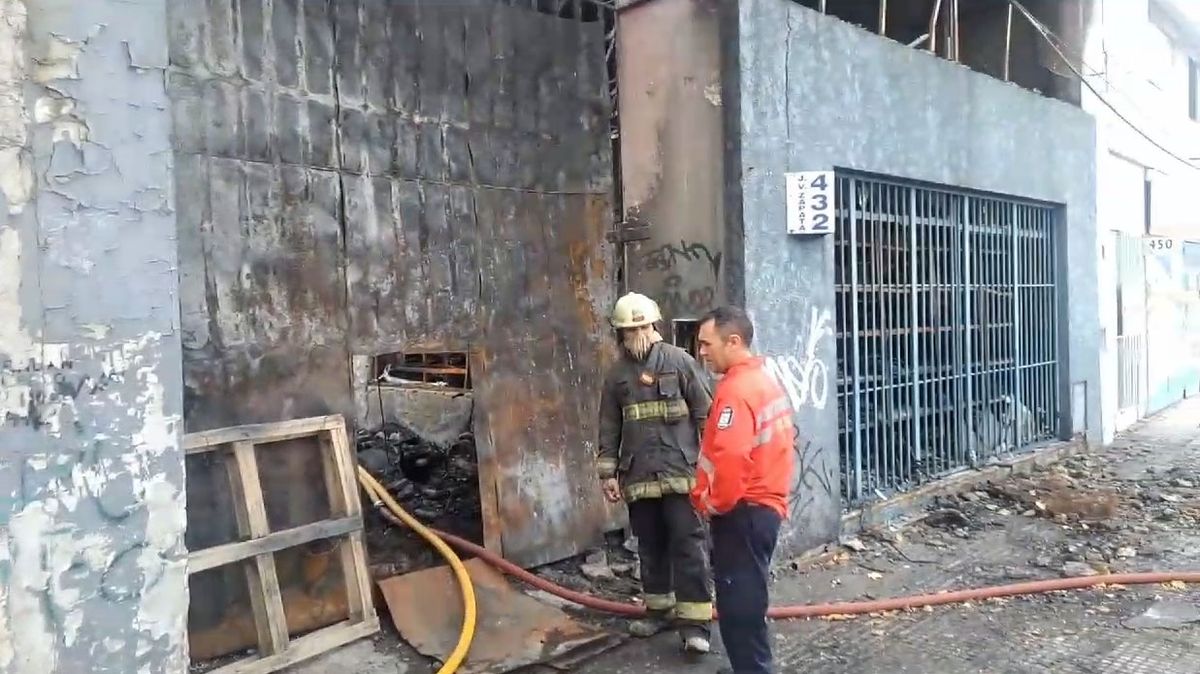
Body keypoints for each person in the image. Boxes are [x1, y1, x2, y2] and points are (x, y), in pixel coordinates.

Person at [597, 292, 715, 654]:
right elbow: (608, 426)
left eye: (642, 325)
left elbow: (705, 415)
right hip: (640, 477)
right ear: (619, 332)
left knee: (688, 545)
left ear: (654, 325)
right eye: (630, 328)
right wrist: (607, 473)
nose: (637, 332)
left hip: (681, 474)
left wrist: (711, 470)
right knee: (649, 546)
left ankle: (696, 625)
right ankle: (659, 611)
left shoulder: (680, 362)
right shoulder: (616, 376)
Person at [691, 306, 794, 674]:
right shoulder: (763, 382)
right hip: (761, 509)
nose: (701, 351)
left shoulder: (736, 390)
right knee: (746, 598)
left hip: (743, 513)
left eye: (707, 343)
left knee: (740, 605)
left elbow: (731, 457)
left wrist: (715, 503)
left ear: (733, 341)